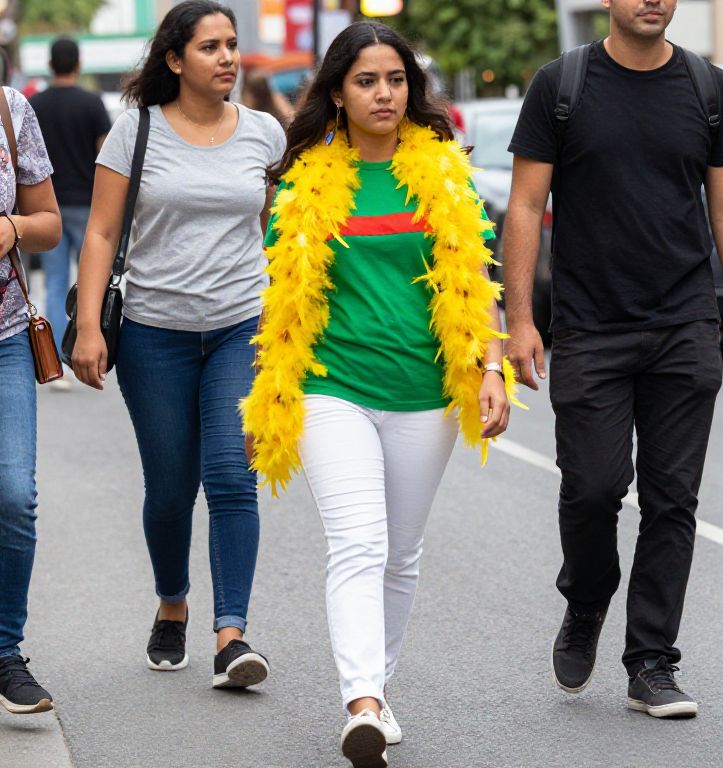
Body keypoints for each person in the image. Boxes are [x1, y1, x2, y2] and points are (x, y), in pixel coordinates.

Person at [241, 21, 518, 768]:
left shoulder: (444, 175)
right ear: (338, 93)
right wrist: (267, 397)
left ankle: (379, 687)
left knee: (400, 552)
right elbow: (280, 302)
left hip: (425, 392)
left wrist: (493, 368)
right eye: (366, 81)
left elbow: (476, 282)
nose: (384, 94)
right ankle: (360, 701)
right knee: (358, 542)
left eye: (395, 80)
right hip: (332, 386)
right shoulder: (303, 182)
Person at [504, 0, 723, 719]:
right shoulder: (562, 85)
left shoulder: (707, 88)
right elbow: (524, 206)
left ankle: (651, 661)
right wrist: (520, 320)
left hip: (684, 323)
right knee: (593, 489)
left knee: (672, 500)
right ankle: (588, 598)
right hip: (590, 325)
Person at [71, 0, 285, 689]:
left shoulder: (265, 134)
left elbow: (276, 227)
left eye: (232, 45)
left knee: (232, 475)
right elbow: (101, 232)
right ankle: (172, 602)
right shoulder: (134, 131)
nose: (228, 58)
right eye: (210, 47)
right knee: (169, 489)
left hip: (240, 327)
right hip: (153, 332)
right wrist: (87, 327)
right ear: (174, 58)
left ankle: (232, 636)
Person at [0, 84, 62, 712]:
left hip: (6, 338)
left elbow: (49, 225)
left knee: (14, 495)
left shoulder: (10, 110)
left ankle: (4, 652)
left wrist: (12, 226)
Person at [29, 37, 111, 390]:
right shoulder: (92, 103)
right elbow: (106, 154)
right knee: (91, 281)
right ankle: (91, 350)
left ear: (50, 64)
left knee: (55, 280)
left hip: (48, 207)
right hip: (88, 204)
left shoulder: (36, 105)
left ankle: (58, 364)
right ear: (78, 64)